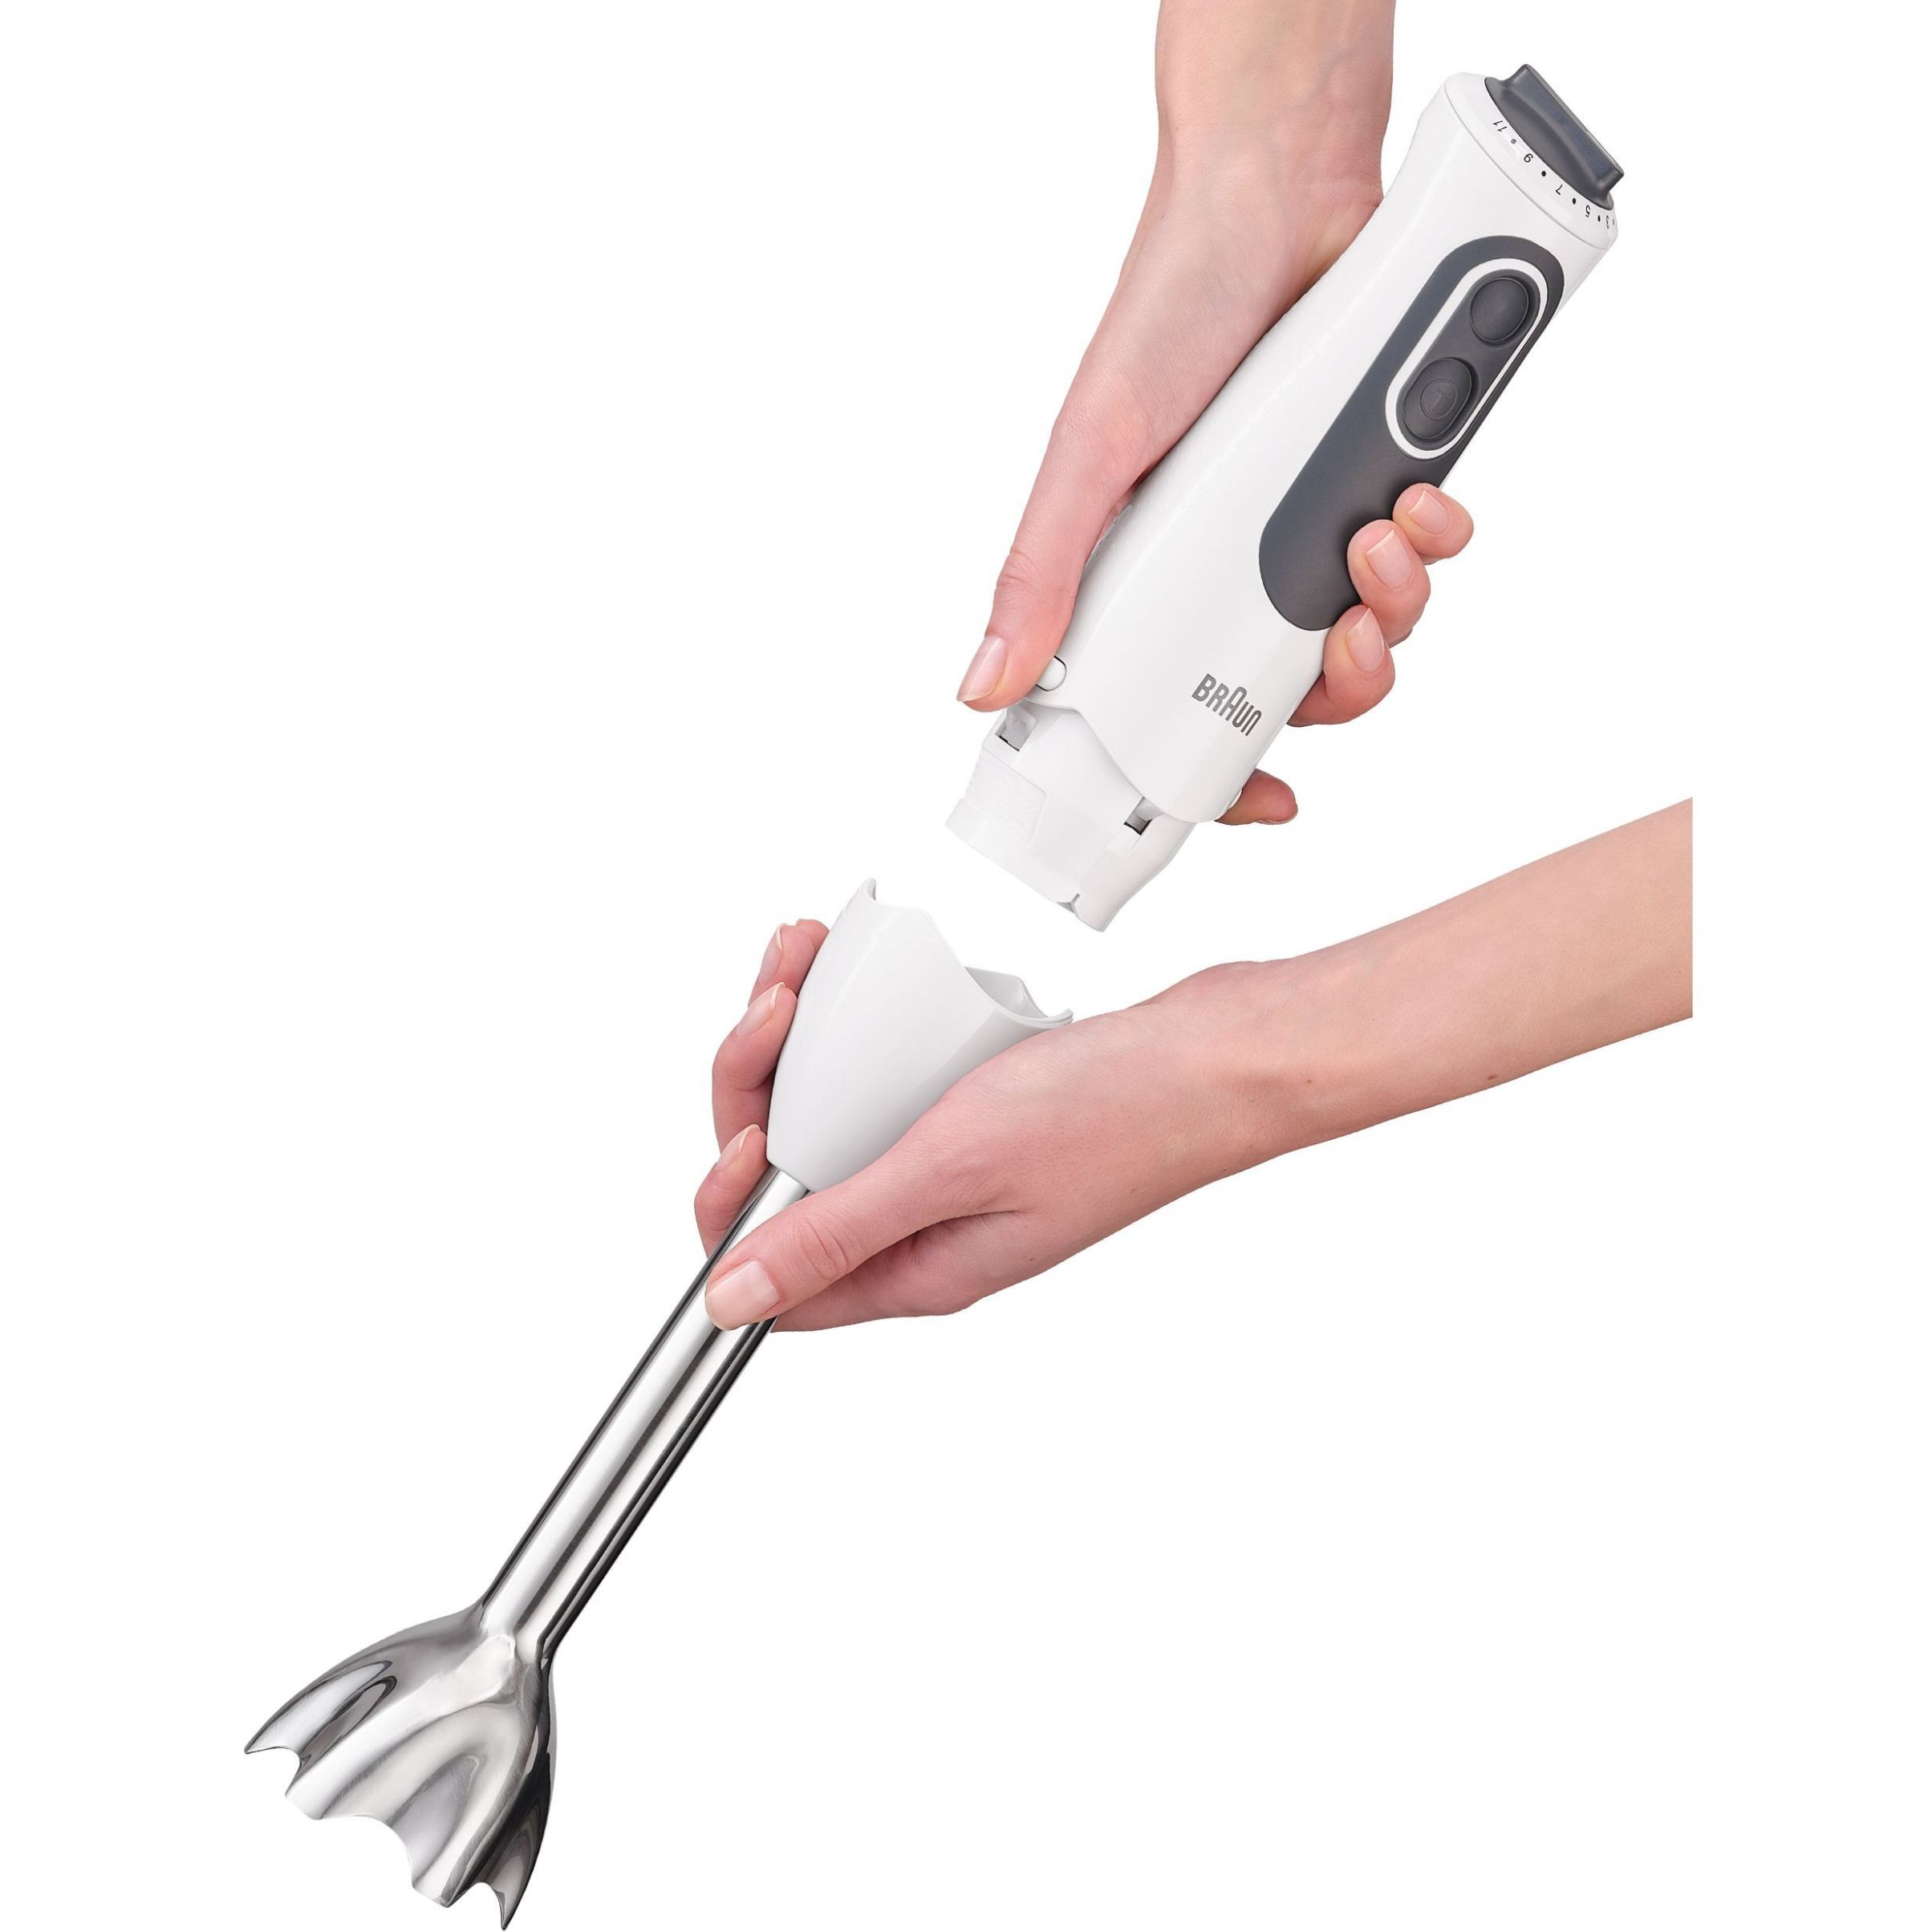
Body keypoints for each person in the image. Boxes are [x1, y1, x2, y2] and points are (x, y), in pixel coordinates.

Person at [695, 1, 1692, 1329]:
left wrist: (1229, 1072)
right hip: (1127, 759)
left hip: (1127, 766)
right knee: (1336, 510)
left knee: (1338, 508)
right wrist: (1267, 146)